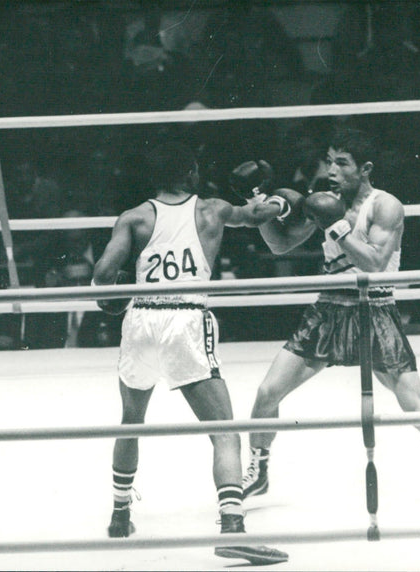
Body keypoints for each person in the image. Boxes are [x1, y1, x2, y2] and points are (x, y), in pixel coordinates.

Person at [242, 128, 420, 504]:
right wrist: (260, 207)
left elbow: (375, 261)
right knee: (267, 392)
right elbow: (280, 244)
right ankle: (258, 468)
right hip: (329, 308)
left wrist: (336, 227)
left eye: (342, 163)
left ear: (364, 168)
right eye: (330, 160)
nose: (332, 169)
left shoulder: (386, 206)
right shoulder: (324, 200)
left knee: (413, 403)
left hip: (375, 306)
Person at [93, 142, 289, 565]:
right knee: (224, 432)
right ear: (190, 174)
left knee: (132, 421)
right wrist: (274, 195)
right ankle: (234, 527)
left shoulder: (134, 218)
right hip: (185, 319)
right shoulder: (212, 210)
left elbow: (103, 278)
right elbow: (263, 215)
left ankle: (119, 513)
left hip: (141, 320)